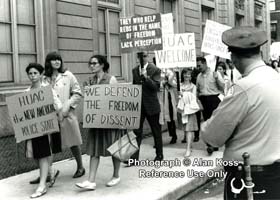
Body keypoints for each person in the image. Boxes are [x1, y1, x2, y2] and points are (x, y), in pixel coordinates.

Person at [201, 26, 280, 200]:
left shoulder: (243, 88)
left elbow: (212, 137)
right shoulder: (276, 78)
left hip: (248, 178)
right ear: (259, 52)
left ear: (233, 57)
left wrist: (204, 124)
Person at [76, 55, 126, 190]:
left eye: (94, 63)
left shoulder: (111, 79)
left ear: (102, 65)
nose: (92, 66)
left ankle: (116, 176)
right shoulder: (90, 81)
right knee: (94, 150)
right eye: (90, 63)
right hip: (96, 121)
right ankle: (91, 180)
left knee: (115, 148)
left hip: (110, 121)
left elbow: (117, 100)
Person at [44, 51, 85, 178]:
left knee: (73, 142)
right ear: (48, 62)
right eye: (54, 59)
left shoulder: (68, 75)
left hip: (67, 114)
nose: (57, 61)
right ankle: (46, 173)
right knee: (49, 144)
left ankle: (80, 167)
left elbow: (78, 93)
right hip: (50, 116)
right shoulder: (44, 78)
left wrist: (68, 105)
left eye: (59, 59)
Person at [25, 63, 61, 198]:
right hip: (33, 129)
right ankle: (49, 173)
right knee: (36, 154)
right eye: (30, 73)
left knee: (43, 154)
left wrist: (52, 110)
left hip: (46, 128)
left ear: (40, 74)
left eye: (35, 73)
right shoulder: (26, 93)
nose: (33, 76)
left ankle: (42, 185)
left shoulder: (48, 90)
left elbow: (58, 105)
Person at [129, 51, 163, 163]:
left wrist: (146, 78)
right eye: (139, 56)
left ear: (148, 56)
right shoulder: (134, 70)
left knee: (156, 131)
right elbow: (134, 87)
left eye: (144, 56)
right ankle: (134, 158)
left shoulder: (155, 69)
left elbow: (156, 87)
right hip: (139, 105)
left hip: (151, 105)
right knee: (137, 131)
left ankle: (159, 155)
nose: (142, 58)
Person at [196, 57, 224, 155]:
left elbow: (222, 87)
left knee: (214, 122)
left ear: (204, 63)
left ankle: (214, 143)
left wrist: (217, 79)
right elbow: (198, 90)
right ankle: (210, 144)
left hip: (214, 99)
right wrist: (198, 101)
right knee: (207, 122)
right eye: (197, 65)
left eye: (199, 65)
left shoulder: (214, 73)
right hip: (204, 100)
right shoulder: (198, 76)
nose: (198, 67)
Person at [177, 68, 199, 157]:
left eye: (189, 74)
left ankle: (188, 149)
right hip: (182, 109)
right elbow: (178, 98)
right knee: (185, 129)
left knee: (189, 129)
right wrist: (179, 94)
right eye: (185, 74)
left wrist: (183, 94)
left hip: (190, 110)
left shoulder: (193, 86)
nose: (187, 76)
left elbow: (193, 98)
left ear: (191, 76)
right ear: (182, 75)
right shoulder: (180, 85)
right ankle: (190, 146)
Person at [158, 69, 178, 144]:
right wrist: (162, 83)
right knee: (159, 118)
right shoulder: (156, 72)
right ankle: (158, 140)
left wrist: (169, 79)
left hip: (168, 97)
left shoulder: (169, 72)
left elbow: (175, 84)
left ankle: (173, 135)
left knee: (171, 117)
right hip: (160, 97)